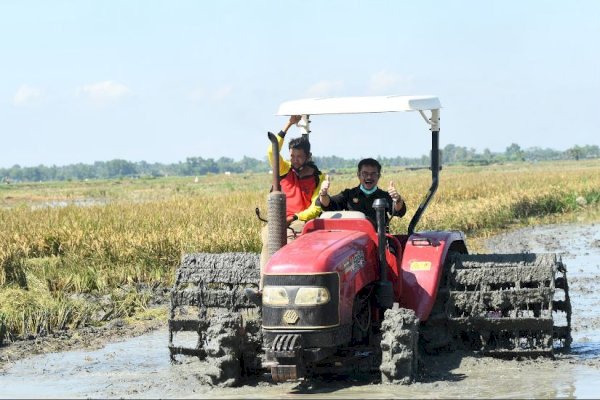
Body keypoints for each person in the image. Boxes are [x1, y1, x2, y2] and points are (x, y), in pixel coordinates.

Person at [259, 115, 325, 275]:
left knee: (288, 242)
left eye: (299, 157)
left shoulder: (319, 177)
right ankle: (264, 286)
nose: (295, 160)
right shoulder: (284, 169)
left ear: (308, 157)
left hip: (300, 221)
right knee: (270, 242)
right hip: (279, 220)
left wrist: (295, 217)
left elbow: (315, 209)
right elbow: (271, 151)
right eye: (292, 156)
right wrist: (288, 124)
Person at [317, 158, 406, 229]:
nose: (369, 177)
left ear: (378, 176)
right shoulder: (348, 194)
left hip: (379, 241)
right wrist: (323, 194)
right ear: (358, 175)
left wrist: (397, 199)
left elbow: (398, 211)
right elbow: (328, 205)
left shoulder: (384, 196)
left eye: (373, 174)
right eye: (365, 173)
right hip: (354, 241)